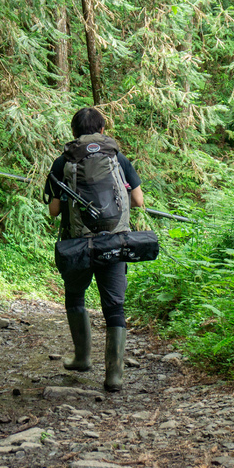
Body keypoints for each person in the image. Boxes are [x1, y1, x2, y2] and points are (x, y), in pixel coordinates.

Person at [43, 107, 144, 392]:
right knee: (114, 306)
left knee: (75, 296)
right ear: (102, 130)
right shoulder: (117, 158)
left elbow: (53, 210)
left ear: (74, 132)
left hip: (78, 244)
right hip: (114, 242)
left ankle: (82, 358)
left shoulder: (63, 161)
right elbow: (138, 200)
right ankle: (114, 375)